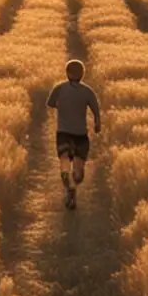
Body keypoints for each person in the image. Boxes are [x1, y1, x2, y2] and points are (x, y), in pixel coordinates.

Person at [47, 59, 102, 210]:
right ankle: (74, 182)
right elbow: (96, 110)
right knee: (79, 170)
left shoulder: (59, 88)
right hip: (80, 135)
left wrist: (61, 106)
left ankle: (66, 176)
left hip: (63, 133)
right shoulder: (88, 91)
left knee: (64, 157)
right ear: (83, 74)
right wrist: (98, 123)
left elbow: (51, 103)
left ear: (67, 73)